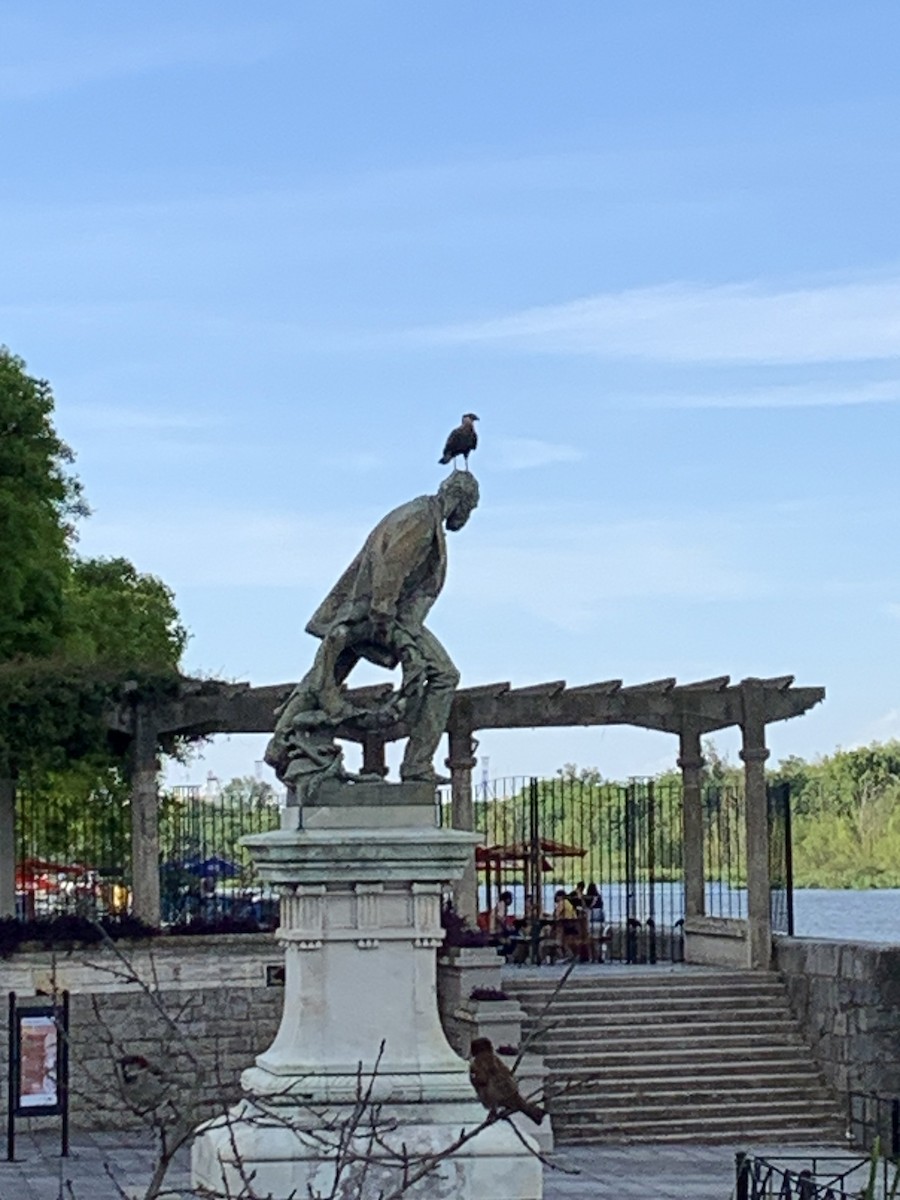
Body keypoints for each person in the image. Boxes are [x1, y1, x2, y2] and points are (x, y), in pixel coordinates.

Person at [267, 471, 480, 792]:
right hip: (384, 613)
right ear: (462, 500)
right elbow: (393, 563)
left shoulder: (421, 512)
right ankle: (417, 765)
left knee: (325, 674)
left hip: (368, 608)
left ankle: (279, 741)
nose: (466, 517)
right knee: (444, 675)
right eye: (470, 509)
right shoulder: (422, 518)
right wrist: (383, 614)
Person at [553, 888, 579, 962]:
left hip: (566, 925)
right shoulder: (569, 903)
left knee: (559, 940)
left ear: (560, 897)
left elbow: (556, 914)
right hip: (572, 924)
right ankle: (567, 955)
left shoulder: (562, 903)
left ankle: (564, 956)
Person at [585, 881, 606, 962]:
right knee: (600, 941)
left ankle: (592, 957)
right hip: (600, 923)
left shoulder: (588, 898)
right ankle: (601, 956)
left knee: (591, 941)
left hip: (591, 923)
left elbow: (586, 909)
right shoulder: (599, 898)